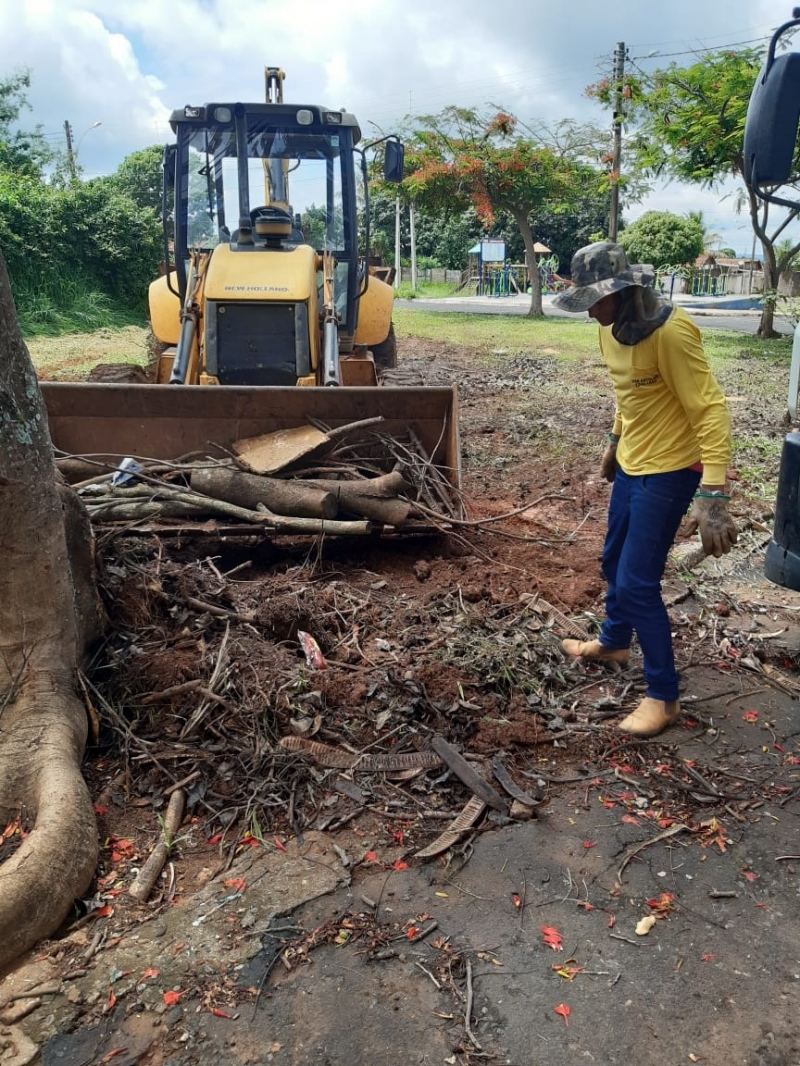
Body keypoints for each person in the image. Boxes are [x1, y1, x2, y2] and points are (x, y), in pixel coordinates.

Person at [551, 242, 737, 737]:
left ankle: (663, 696)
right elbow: (626, 391)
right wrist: (614, 442)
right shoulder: (611, 329)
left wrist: (714, 494)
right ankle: (613, 641)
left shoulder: (672, 333)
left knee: (637, 581)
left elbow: (710, 409)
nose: (590, 310)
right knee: (613, 561)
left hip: (675, 468)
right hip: (634, 462)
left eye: (595, 299)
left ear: (623, 289)